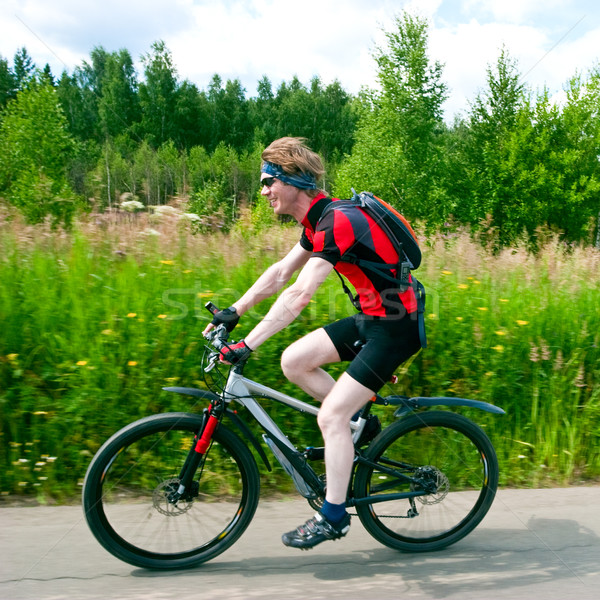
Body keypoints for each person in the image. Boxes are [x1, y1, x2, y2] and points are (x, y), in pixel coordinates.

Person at [202, 137, 422, 550]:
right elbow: (280, 273)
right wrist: (236, 309)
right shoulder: (318, 221)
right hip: (371, 317)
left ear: (294, 181)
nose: (263, 191)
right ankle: (360, 424)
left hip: (396, 327)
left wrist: (247, 344)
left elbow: (300, 294)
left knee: (330, 418)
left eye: (269, 182)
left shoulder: (339, 221)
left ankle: (333, 516)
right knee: (294, 361)